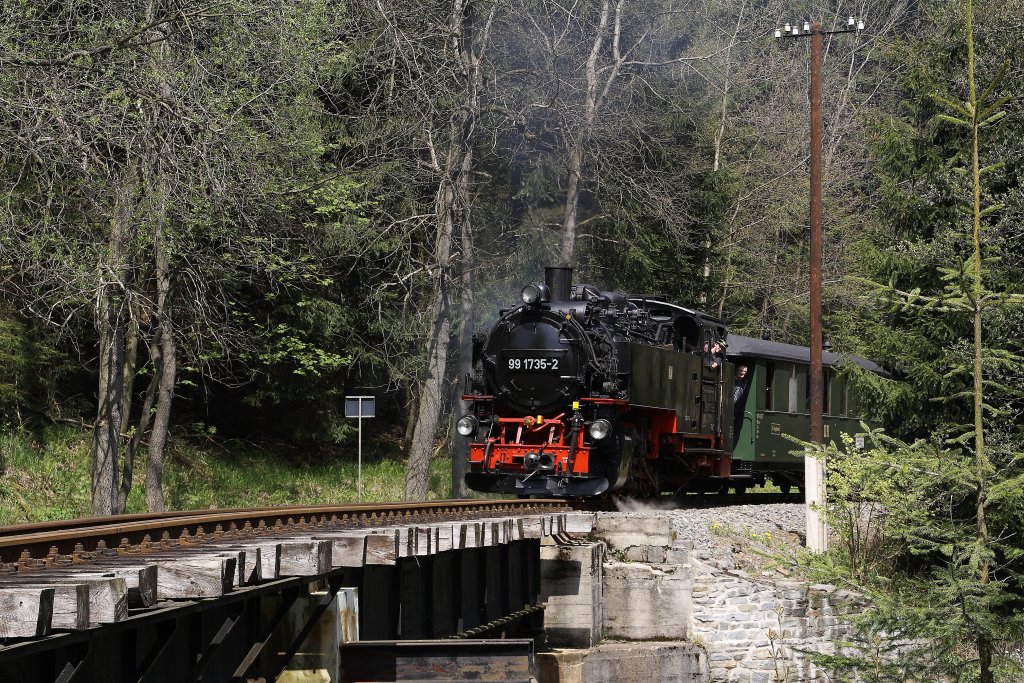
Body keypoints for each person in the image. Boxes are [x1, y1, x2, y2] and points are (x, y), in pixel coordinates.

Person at [732, 365, 750, 446]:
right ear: (736, 370)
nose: (742, 373)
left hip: (737, 409)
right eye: (741, 371)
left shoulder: (745, 382)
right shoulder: (732, 379)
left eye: (744, 371)